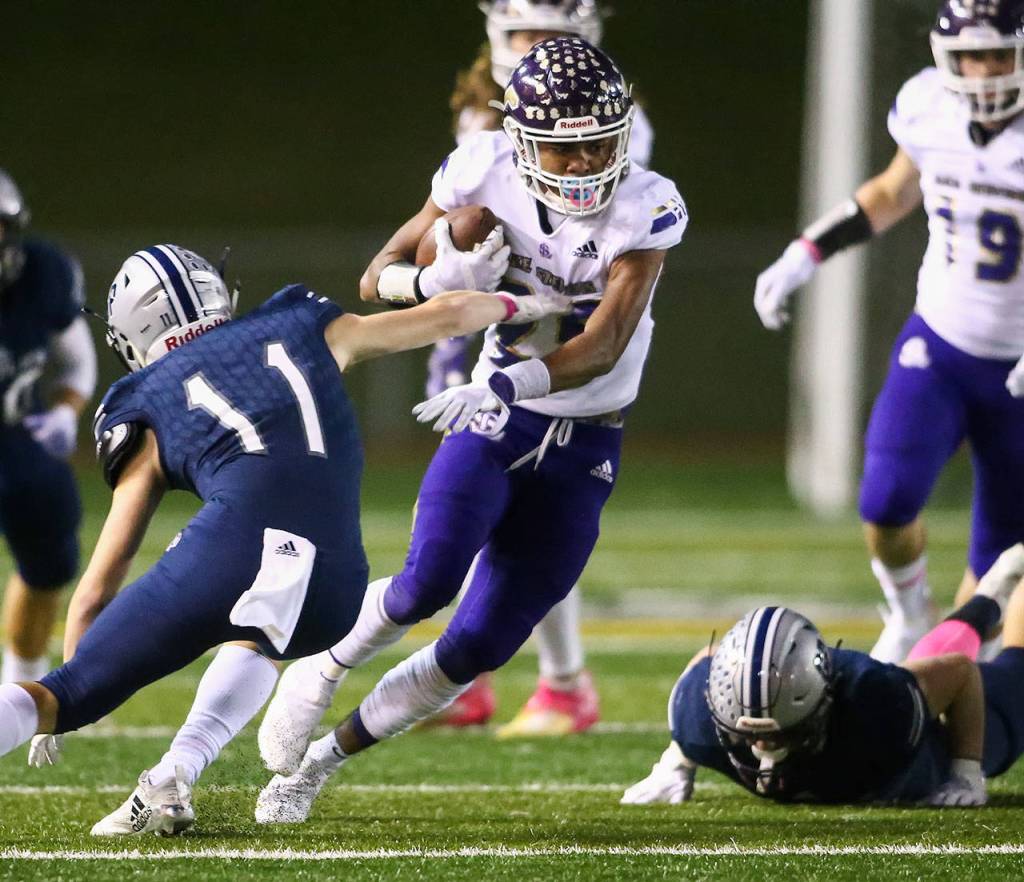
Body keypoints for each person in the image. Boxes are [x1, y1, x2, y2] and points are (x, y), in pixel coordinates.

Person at [254, 36, 687, 823]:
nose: (586, 164)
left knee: (481, 643)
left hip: (583, 436)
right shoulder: (481, 173)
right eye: (564, 149)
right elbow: (377, 275)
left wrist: (503, 379)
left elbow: (604, 343)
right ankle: (321, 667)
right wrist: (436, 276)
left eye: (599, 144)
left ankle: (318, 765)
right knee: (428, 579)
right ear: (521, 143)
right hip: (495, 418)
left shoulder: (647, 205)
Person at [0, 242, 567, 836]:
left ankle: (98, 726)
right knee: (262, 632)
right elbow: (448, 316)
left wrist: (73, 688)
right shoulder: (298, 322)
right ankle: (174, 774)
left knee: (64, 694)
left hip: (235, 552)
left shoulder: (143, 396)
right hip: (336, 587)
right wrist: (521, 303)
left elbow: (101, 579)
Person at [754, 0, 1024, 663]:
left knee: (999, 563)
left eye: (999, 54)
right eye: (971, 56)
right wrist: (808, 250)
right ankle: (907, 614)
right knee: (884, 500)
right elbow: (894, 191)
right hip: (941, 345)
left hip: (1019, 367)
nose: (986, 72)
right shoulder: (929, 106)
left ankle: (954, 674)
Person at [428, 0, 657, 734]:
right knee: (469, 502)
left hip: (551, 337)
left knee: (529, 513)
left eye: (551, 32)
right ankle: (473, 677)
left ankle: (560, 679)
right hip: (484, 323)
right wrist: (440, 281)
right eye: (522, 31)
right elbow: (434, 239)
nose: (535, 45)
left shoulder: (607, 130)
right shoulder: (482, 120)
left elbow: (580, 257)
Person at [621, 543, 1024, 807]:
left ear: (825, 703)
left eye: (781, 734)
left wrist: (965, 770)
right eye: (751, 735)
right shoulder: (698, 718)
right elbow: (706, 659)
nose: (764, 748)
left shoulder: (876, 704)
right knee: (917, 676)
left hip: (922, 751)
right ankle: (990, 596)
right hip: (884, 711)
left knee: (1016, 671)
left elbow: (958, 672)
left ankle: (1004, 591)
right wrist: (675, 763)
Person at [0, 169, 96, 688]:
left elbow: (76, 363)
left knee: (50, 561)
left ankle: (17, 690)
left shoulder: (41, 273)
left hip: (15, 437)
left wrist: (65, 412)